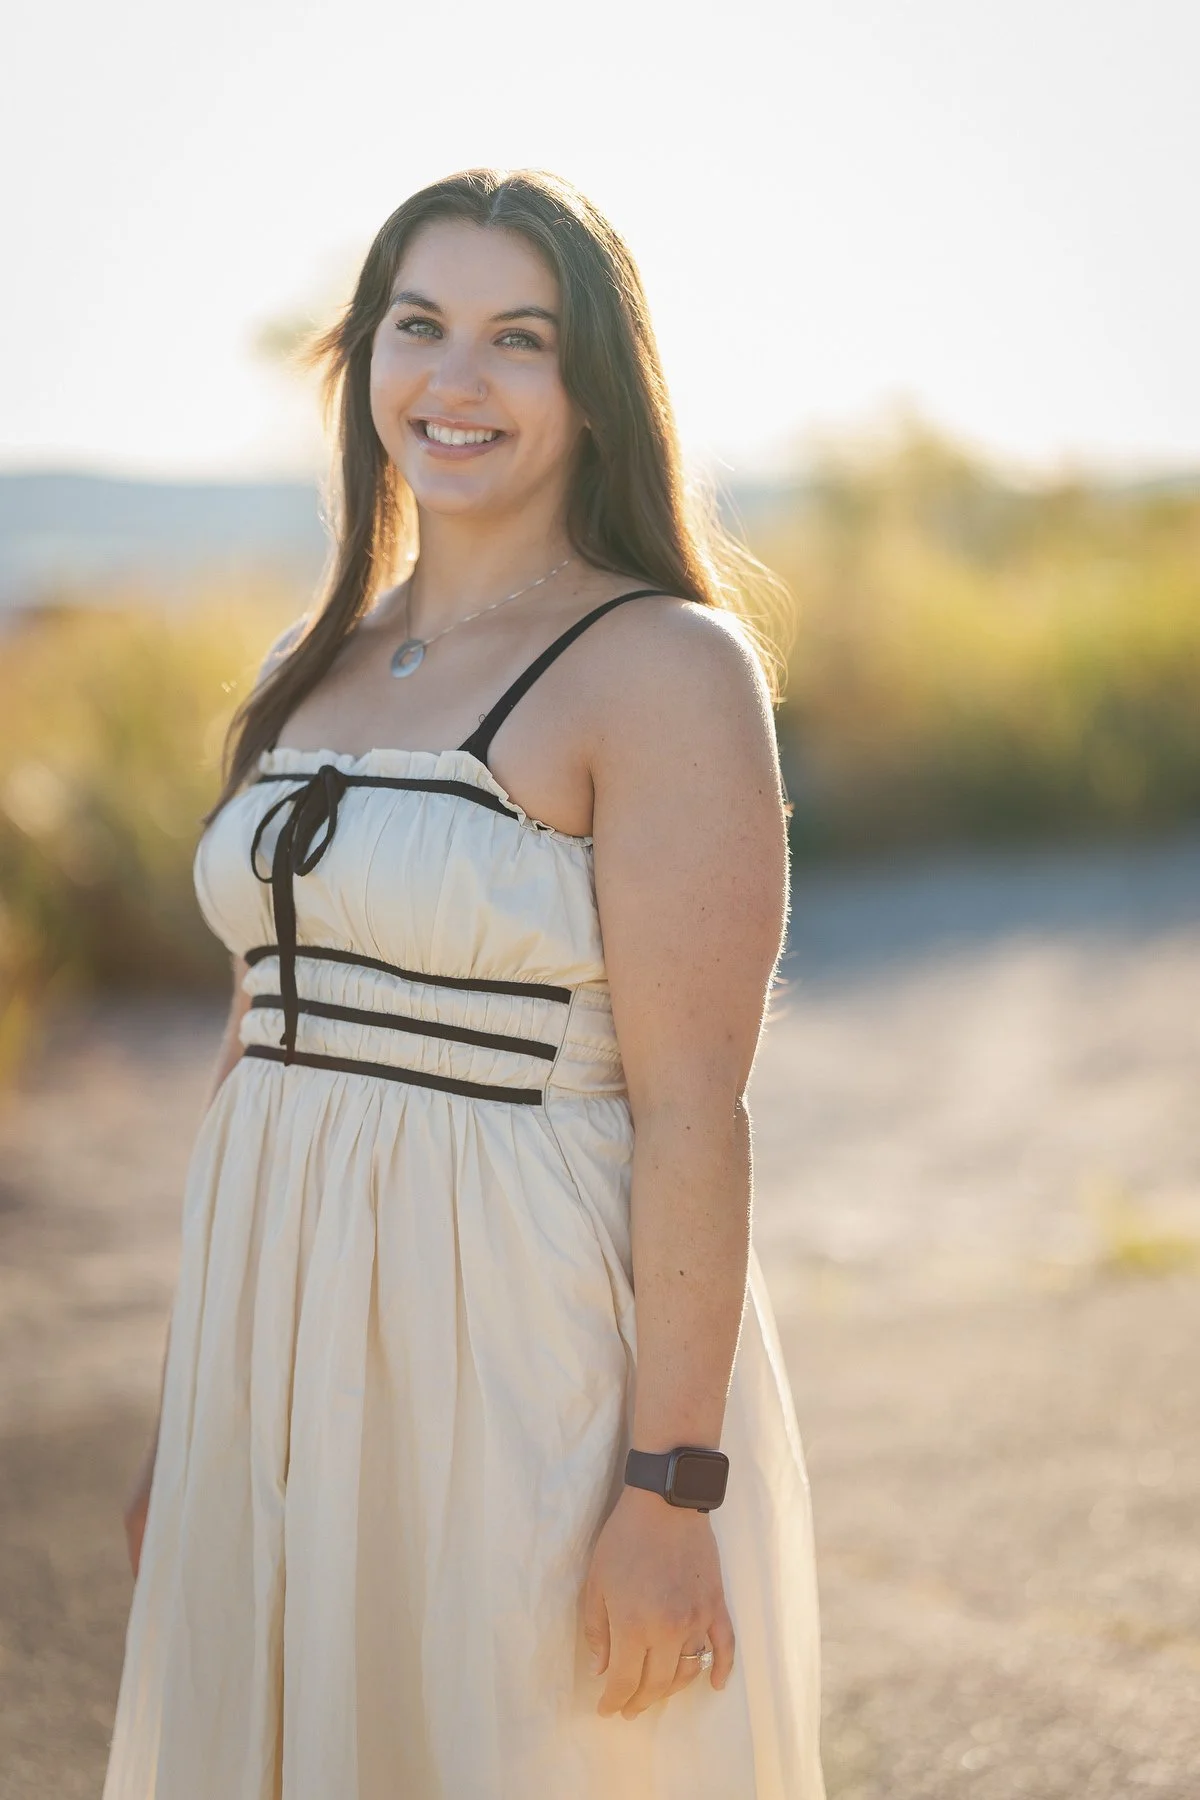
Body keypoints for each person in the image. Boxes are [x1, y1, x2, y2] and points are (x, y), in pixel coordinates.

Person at [104, 167, 825, 1800]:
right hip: (277, 1367)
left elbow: (693, 1115)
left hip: (519, 1354)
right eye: (420, 325)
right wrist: (190, 1421)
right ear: (364, 357)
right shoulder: (316, 665)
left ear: (596, 388)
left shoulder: (662, 666)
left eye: (520, 339)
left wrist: (670, 1490)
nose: (457, 378)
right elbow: (258, 1048)